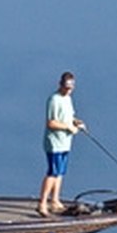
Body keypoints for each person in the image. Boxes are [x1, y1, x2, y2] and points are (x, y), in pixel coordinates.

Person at [38, 72, 85, 217]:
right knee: (52, 172)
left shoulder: (68, 99)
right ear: (60, 85)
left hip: (65, 142)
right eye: (66, 87)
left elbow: (69, 117)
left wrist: (76, 122)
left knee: (60, 173)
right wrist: (68, 127)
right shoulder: (54, 99)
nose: (68, 90)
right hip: (54, 143)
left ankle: (55, 201)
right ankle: (42, 204)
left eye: (71, 88)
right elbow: (51, 123)